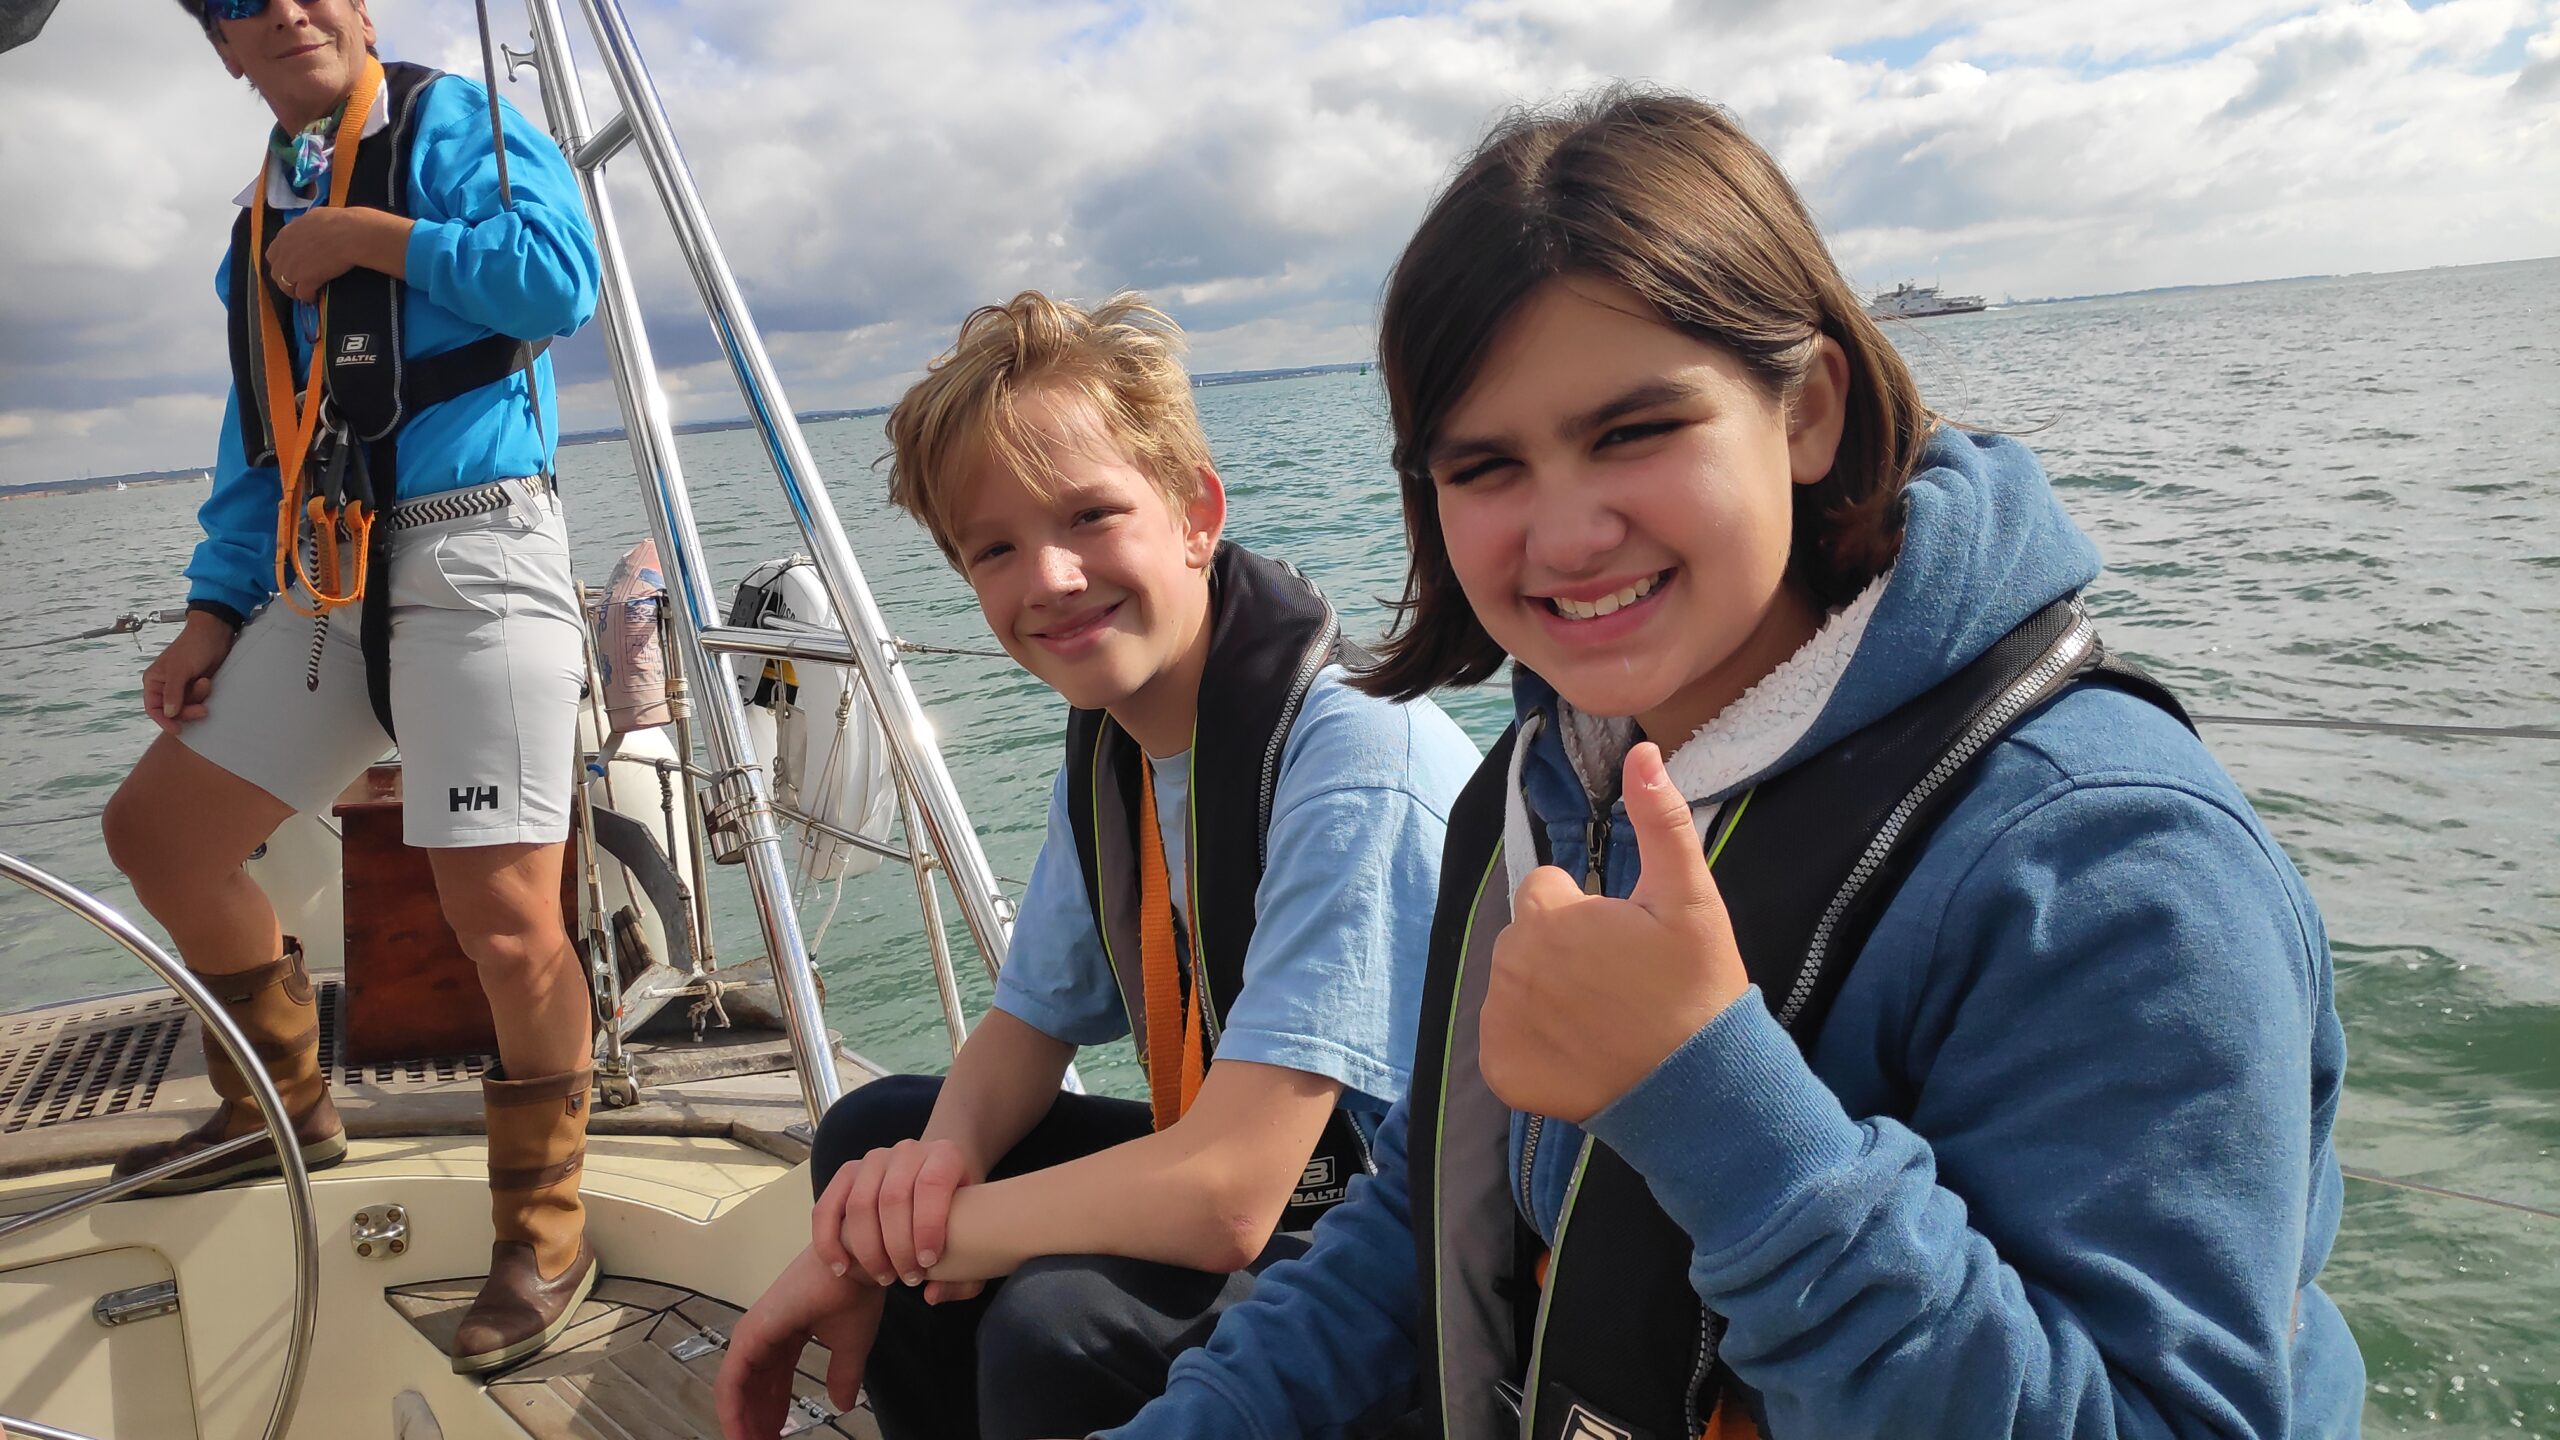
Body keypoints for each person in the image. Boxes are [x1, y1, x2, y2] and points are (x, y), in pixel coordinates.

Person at [1100, 88, 2365, 1439]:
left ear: (1808, 411)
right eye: (1486, 468)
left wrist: (1713, 1097)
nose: (1567, 534)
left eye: (1635, 432)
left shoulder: (2106, 858)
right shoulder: (1541, 789)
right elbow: (1429, 1200)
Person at [713, 292, 1479, 1440]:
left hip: (1403, 1248)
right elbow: (1027, 1029)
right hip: (1268, 1185)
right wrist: (928, 1180)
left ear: (1195, 514)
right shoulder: (1125, 740)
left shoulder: (1352, 758)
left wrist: (883, 1245)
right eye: (997, 549)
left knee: (1060, 1322)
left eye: (1089, 516)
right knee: (878, 1136)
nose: (1052, 579)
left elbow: (1230, 1198)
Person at [102, 0, 602, 1375]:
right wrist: (212, 610)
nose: (282, 11)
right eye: (238, 5)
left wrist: (373, 240)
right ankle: (283, 1100)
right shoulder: (250, 226)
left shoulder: (457, 126)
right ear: (221, 49)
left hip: (479, 542)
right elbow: (257, 430)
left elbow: (560, 282)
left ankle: (545, 1226)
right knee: (160, 835)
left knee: (500, 916)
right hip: (322, 574)